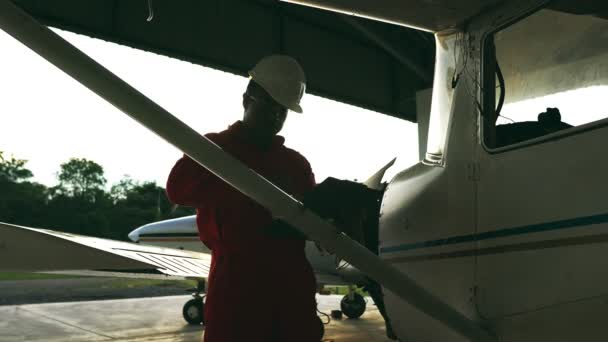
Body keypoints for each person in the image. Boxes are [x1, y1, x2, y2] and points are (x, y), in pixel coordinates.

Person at [166, 55, 322, 342]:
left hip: (292, 297)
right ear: (246, 99)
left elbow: (315, 222)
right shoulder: (213, 149)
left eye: (283, 110)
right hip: (238, 294)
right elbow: (176, 190)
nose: (277, 116)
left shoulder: (296, 164)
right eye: (270, 106)